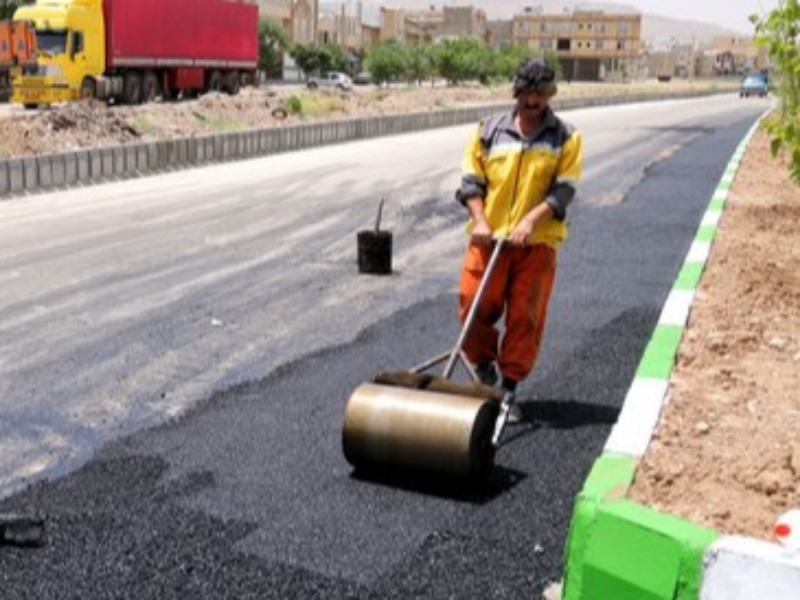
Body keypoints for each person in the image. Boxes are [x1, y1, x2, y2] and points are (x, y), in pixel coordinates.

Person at [455, 57, 582, 421]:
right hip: (489, 239)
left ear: (550, 95)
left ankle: (507, 389)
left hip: (536, 244)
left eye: (540, 95)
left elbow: (565, 190)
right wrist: (479, 220)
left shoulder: (566, 137)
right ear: (516, 92)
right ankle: (483, 369)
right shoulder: (487, 130)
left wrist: (530, 220)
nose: (533, 102)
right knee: (472, 303)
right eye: (527, 94)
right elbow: (470, 181)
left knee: (525, 317)